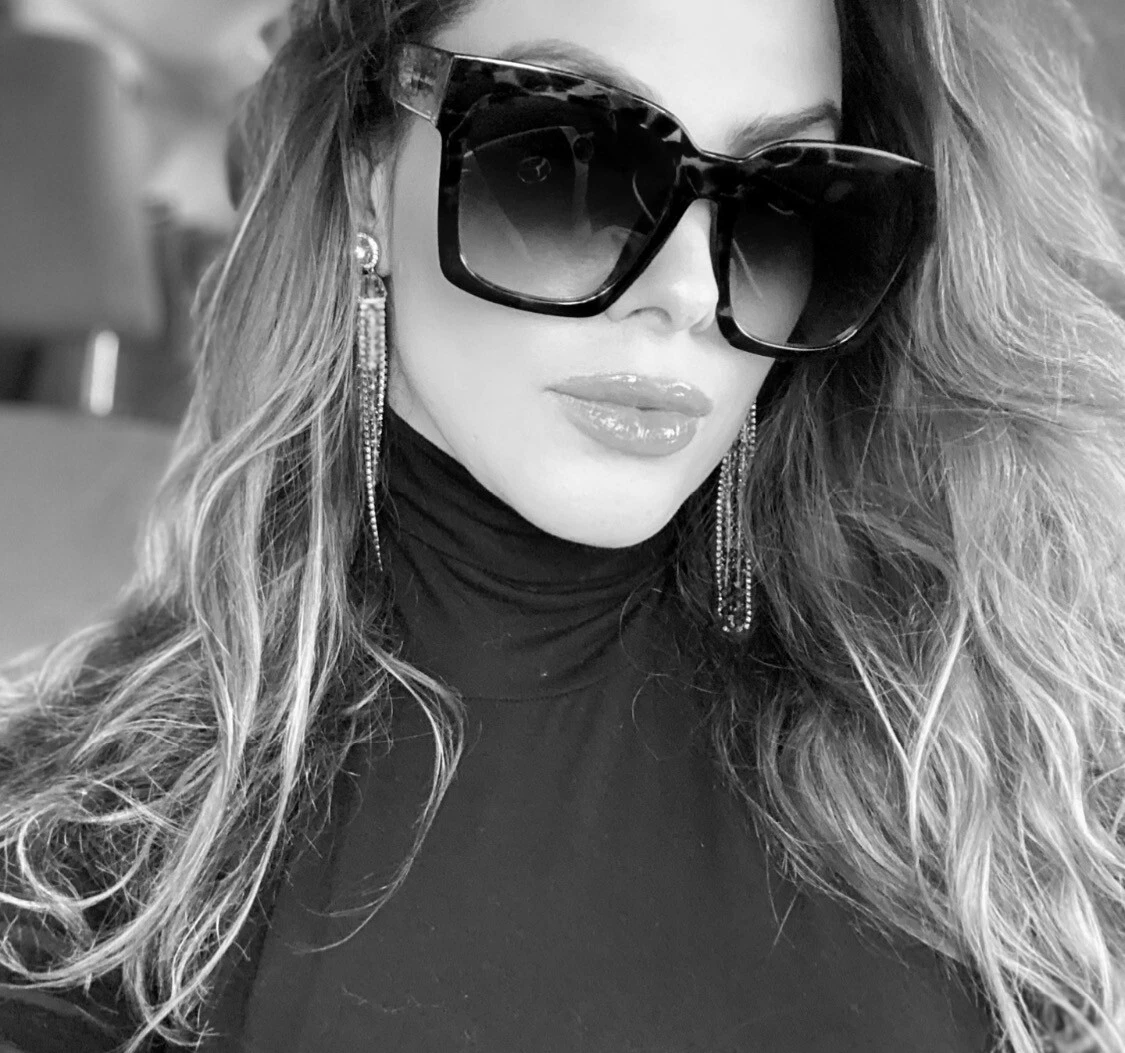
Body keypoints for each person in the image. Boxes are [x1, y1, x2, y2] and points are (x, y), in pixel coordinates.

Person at [2, 0, 1125, 1050]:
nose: (690, 291)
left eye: (782, 200)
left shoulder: (1002, 757)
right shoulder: (87, 868)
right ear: (365, 181)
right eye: (560, 162)